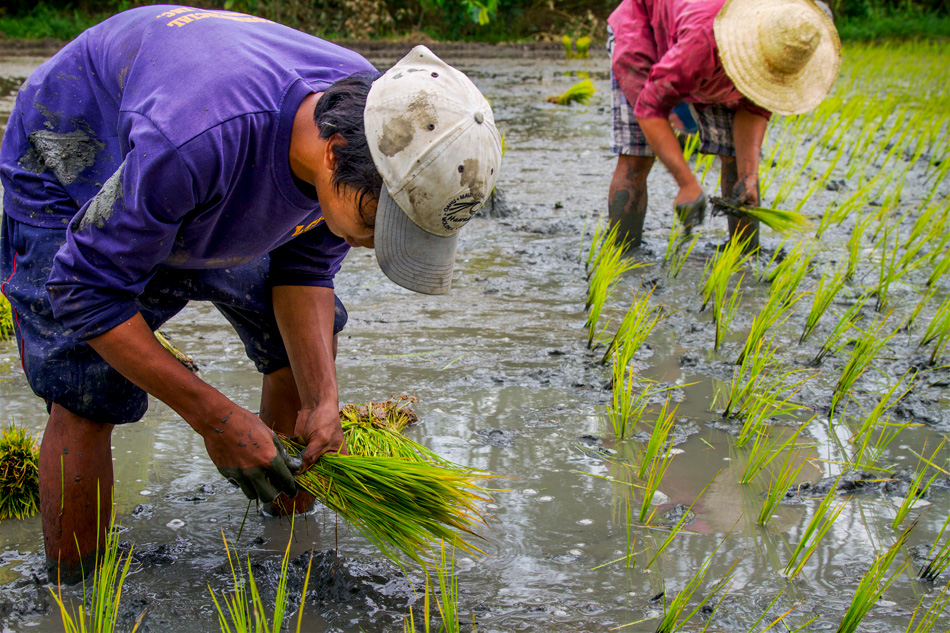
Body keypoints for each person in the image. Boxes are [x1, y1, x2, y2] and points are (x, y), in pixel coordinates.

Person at [0, 5, 502, 583]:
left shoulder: (382, 119)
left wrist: (323, 399)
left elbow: (305, 269)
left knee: (299, 353)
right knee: (85, 386)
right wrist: (214, 419)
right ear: (335, 156)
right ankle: (72, 593)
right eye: (373, 224)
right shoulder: (195, 140)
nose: (369, 245)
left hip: (198, 173)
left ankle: (282, 547)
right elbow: (85, 292)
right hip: (76, 150)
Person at [606, 0, 840, 249]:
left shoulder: (782, 44)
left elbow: (753, 108)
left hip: (704, 60)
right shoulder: (705, 36)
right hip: (647, 35)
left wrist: (749, 176)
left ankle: (744, 256)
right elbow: (649, 108)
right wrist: (686, 183)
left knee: (737, 164)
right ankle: (623, 257)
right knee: (638, 156)